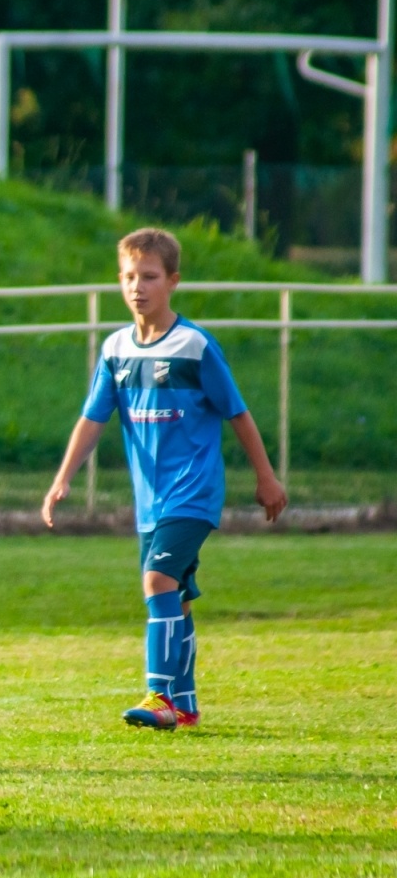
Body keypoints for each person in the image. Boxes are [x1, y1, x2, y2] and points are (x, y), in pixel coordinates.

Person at [42, 227, 287, 729]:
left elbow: (237, 413)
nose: (138, 287)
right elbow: (93, 419)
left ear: (172, 281)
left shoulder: (194, 346)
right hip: (149, 501)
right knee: (174, 596)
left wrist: (266, 477)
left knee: (157, 581)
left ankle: (159, 697)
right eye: (130, 277)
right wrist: (63, 477)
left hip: (192, 493)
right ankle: (188, 703)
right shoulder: (115, 350)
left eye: (150, 277)